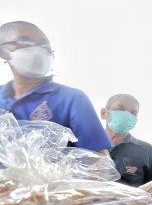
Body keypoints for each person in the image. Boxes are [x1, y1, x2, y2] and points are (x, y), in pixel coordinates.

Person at [0, 21, 110, 153]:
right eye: (25, 42)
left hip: (54, 174)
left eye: (43, 45)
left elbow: (99, 162)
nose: (37, 50)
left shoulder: (71, 100)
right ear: (3, 51)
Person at [101, 94, 152, 187]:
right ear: (104, 113)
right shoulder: (87, 146)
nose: (127, 115)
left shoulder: (146, 150)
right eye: (120, 109)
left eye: (133, 113)